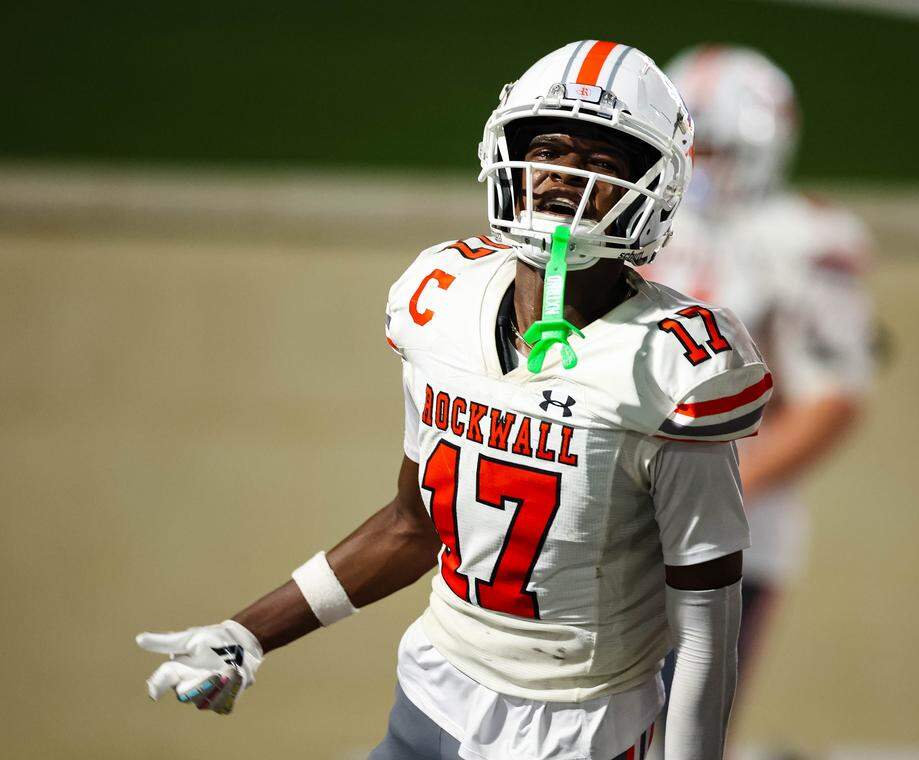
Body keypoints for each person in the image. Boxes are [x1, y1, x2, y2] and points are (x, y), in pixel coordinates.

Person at [136, 41, 774, 760]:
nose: (563, 178)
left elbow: (705, 628)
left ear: (651, 186)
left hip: (576, 731)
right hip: (433, 694)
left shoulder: (673, 365)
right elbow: (414, 526)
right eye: (551, 149)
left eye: (599, 163)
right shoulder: (442, 297)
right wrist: (247, 634)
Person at [644, 45, 876, 759]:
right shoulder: (650, 222)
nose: (699, 162)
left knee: (672, 735)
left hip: (723, 528)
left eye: (714, 144)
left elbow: (831, 401)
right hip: (618, 504)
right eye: (691, 144)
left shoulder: (806, 238)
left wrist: (707, 496)